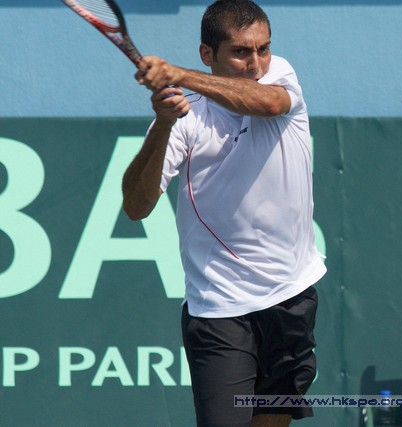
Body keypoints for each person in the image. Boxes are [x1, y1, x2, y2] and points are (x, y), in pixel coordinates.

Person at [121, 1, 326, 426]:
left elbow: (268, 104)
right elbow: (137, 206)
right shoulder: (185, 116)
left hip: (292, 295)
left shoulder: (279, 76)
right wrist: (164, 124)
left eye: (263, 49)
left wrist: (177, 74)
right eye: (240, 52)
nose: (256, 63)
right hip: (220, 309)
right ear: (207, 54)